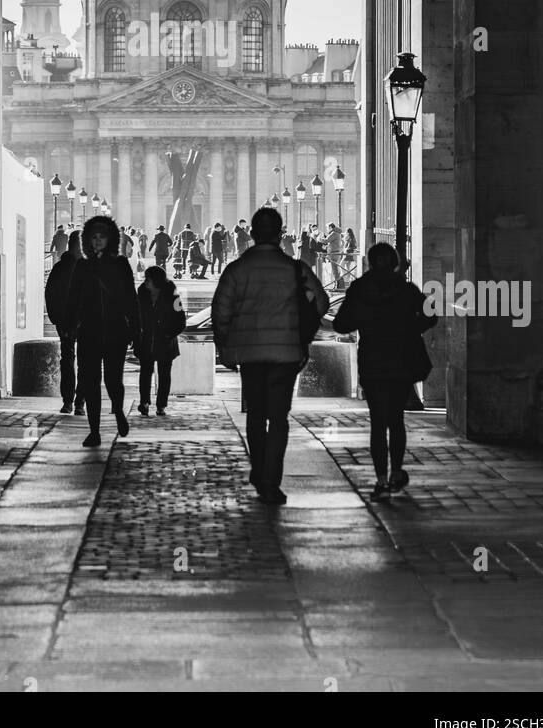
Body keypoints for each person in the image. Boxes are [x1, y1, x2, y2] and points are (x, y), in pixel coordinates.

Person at [212, 206, 329, 505]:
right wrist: (300, 329)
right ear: (280, 235)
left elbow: (220, 313)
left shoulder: (236, 270)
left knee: (256, 415)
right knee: (278, 418)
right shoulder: (295, 268)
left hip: (250, 355)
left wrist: (225, 348)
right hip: (286, 352)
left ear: (252, 235)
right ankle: (271, 480)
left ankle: (258, 466)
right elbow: (322, 303)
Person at [331, 242, 436, 501]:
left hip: (373, 361)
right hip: (401, 359)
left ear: (369, 261)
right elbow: (430, 316)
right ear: (395, 262)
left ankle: (380, 479)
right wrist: (411, 327)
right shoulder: (405, 289)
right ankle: (396, 472)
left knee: (378, 422)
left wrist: (364, 320)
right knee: (396, 419)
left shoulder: (360, 288)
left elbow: (341, 324)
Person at [63, 214, 137, 448]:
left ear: (110, 239)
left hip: (115, 331)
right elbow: (72, 298)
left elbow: (131, 300)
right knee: (90, 381)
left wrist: (136, 329)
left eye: (101, 237)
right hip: (89, 331)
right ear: (88, 239)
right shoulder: (82, 266)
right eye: (93, 237)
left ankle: (119, 411)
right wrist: (68, 325)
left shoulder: (121, 265)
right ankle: (94, 431)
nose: (97, 241)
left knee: (113, 380)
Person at [133, 266, 187, 416]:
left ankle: (161, 405)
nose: (145, 282)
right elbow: (136, 316)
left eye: (148, 279)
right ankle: (144, 402)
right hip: (146, 340)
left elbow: (181, 319)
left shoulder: (173, 294)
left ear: (156, 281)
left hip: (165, 342)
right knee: (145, 373)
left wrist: (169, 334)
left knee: (164, 374)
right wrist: (136, 335)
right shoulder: (141, 293)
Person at [44, 229, 85, 414]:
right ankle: (76, 402)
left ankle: (71, 402)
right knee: (79, 362)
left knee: (69, 361)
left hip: (75, 322)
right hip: (75, 322)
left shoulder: (60, 268)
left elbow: (50, 294)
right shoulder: (85, 267)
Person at [324, 223, 343, 289]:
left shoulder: (334, 233)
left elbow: (326, 240)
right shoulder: (336, 233)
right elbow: (332, 243)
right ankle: (337, 285)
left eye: (327, 228)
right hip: (336, 253)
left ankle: (338, 285)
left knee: (335, 270)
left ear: (330, 227)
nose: (327, 230)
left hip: (334, 253)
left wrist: (318, 238)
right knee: (335, 270)